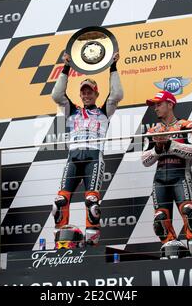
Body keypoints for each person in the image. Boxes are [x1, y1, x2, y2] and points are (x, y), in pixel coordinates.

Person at [51, 52, 123, 246]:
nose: (86, 94)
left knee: (92, 203)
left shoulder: (103, 111)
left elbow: (117, 95)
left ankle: (91, 246)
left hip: (94, 158)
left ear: (96, 94)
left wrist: (113, 67)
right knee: (59, 202)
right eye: (83, 91)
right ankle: (61, 245)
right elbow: (56, 95)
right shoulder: (71, 110)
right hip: (73, 158)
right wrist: (65, 67)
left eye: (90, 91)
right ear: (80, 94)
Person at [141, 91, 192, 259]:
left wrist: (168, 144)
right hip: (159, 180)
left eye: (158, 104)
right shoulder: (152, 131)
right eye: (154, 105)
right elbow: (145, 160)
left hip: (181, 176)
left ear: (170, 104)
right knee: (160, 220)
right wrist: (158, 148)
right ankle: (171, 256)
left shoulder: (187, 125)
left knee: (191, 217)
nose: (155, 108)